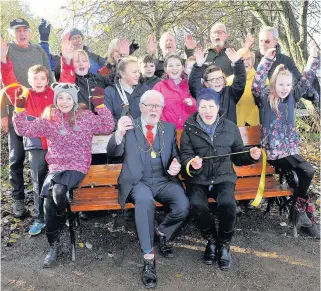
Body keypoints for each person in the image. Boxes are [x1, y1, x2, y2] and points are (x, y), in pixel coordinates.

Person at [12, 83, 115, 267]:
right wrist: (19, 108)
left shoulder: (85, 117)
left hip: (77, 165)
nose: (64, 101)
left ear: (74, 100)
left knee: (58, 192)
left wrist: (100, 106)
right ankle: (53, 245)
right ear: (55, 100)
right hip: (56, 167)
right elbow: (23, 130)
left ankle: (66, 217)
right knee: (48, 204)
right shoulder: (49, 118)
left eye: (68, 97)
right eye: (60, 97)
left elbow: (108, 125)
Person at [107, 90, 189, 289]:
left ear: (162, 109)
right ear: (141, 107)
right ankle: (148, 258)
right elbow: (112, 152)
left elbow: (175, 156)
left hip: (163, 180)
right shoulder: (128, 126)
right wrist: (118, 133)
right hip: (138, 182)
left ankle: (161, 233)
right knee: (144, 203)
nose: (154, 109)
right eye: (150, 105)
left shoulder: (168, 129)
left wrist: (176, 164)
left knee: (183, 205)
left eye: (158, 106)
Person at [180, 88, 261, 271]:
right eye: (203, 106)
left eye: (211, 106)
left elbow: (239, 156)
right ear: (197, 108)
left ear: (218, 107)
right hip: (198, 179)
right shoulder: (189, 128)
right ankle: (211, 241)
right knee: (197, 205)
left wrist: (251, 155)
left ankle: (224, 244)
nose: (207, 110)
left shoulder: (230, 127)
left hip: (223, 177)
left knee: (227, 203)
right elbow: (184, 156)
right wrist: (191, 164)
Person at [252, 43, 320, 238]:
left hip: (290, 151)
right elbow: (256, 84)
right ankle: (300, 210)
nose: (284, 88)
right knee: (306, 170)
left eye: (288, 85)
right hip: (273, 153)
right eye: (281, 85)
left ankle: (299, 209)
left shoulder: (291, 97)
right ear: (274, 84)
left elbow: (306, 80)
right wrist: (266, 60)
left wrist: (313, 58)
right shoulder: (265, 98)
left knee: (307, 171)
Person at [1, 39, 55, 235]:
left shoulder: (55, 94)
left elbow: (68, 81)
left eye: (43, 78)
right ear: (30, 81)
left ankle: (59, 215)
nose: (39, 81)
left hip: (56, 147)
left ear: (47, 80)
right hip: (36, 147)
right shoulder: (23, 95)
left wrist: (66, 60)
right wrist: (3, 61)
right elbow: (8, 81)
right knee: (38, 182)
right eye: (35, 78)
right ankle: (40, 218)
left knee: (58, 181)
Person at [252, 26, 319, 98]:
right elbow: (252, 84)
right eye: (261, 41)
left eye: (267, 41)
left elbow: (301, 83)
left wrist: (310, 94)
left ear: (276, 41)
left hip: (283, 104)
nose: (263, 44)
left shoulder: (286, 61)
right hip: (258, 104)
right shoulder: (251, 58)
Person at [189, 46, 246, 124]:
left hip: (228, 133)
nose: (217, 81)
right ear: (206, 83)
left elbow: (240, 80)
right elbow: (193, 84)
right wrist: (198, 65)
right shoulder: (202, 95)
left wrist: (237, 63)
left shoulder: (231, 93)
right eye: (213, 79)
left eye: (220, 78)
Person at [59, 34, 113, 111]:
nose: (81, 63)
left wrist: (119, 59)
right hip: (79, 120)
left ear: (89, 65)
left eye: (84, 61)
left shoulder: (98, 80)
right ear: (72, 65)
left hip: (99, 120)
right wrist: (66, 61)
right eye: (77, 61)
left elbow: (115, 78)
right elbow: (65, 81)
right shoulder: (72, 82)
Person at [153, 53, 197, 129]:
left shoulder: (191, 85)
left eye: (178, 65)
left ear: (183, 67)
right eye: (170, 65)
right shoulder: (159, 87)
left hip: (187, 132)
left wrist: (192, 103)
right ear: (165, 69)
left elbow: (199, 107)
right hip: (166, 131)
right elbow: (151, 108)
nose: (174, 68)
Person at [226, 48, 261, 126]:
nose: (245, 62)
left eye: (248, 59)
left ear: (253, 61)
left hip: (254, 126)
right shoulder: (228, 81)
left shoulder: (261, 79)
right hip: (233, 126)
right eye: (241, 59)